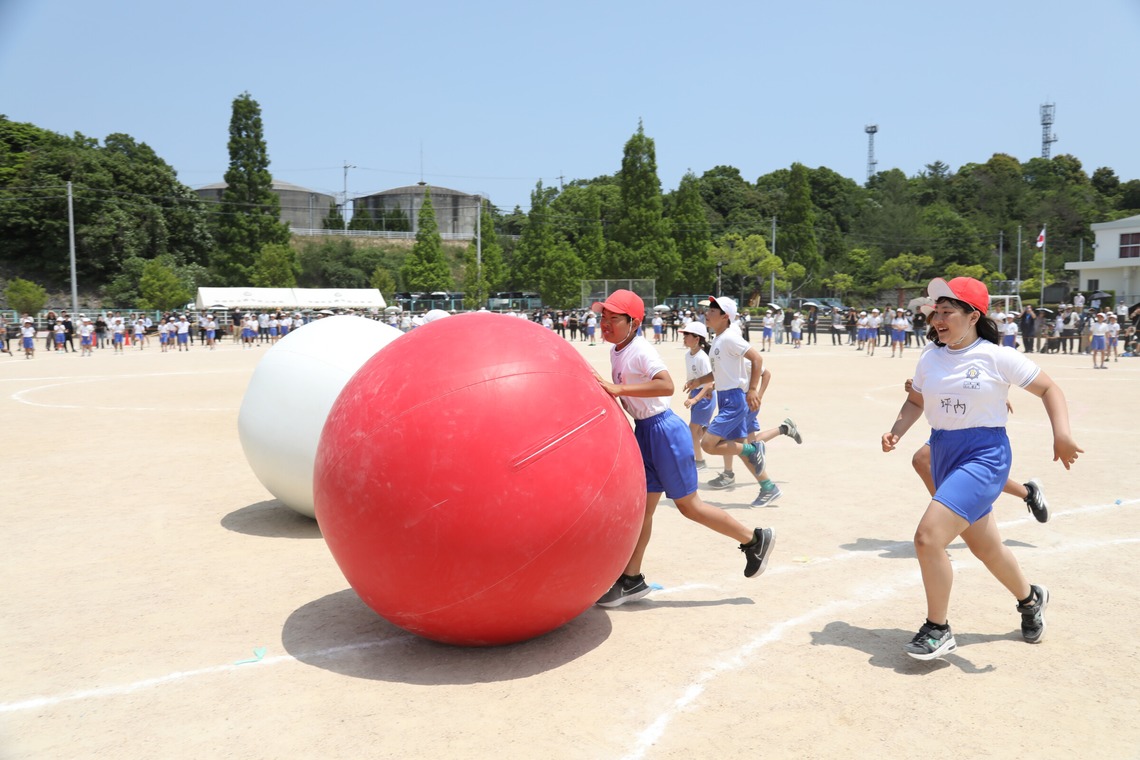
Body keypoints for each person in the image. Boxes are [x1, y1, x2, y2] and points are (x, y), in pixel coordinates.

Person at [882, 276, 1082, 660]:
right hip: (943, 451)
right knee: (986, 548)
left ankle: (937, 628)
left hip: (984, 455)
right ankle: (1030, 599)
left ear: (972, 315)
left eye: (947, 311)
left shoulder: (996, 356)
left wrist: (1062, 435)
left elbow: (1049, 389)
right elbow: (915, 401)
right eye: (936, 312)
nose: (938, 319)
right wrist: (896, 431)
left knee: (927, 538)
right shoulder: (930, 357)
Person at [592, 290, 776, 607]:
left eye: (613, 318)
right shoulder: (617, 351)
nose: (605, 323)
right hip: (645, 433)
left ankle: (754, 539)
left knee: (689, 507)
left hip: (664, 432)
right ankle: (632, 579)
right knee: (642, 512)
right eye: (603, 317)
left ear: (633, 323)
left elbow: (666, 384)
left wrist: (618, 388)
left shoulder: (640, 351)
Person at [686, 296, 802, 506]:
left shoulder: (730, 337)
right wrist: (698, 381)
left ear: (725, 316)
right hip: (726, 397)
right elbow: (718, 373)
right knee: (737, 449)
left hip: (734, 399)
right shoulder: (719, 340)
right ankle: (768, 487)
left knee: (708, 444)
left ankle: (754, 449)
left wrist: (753, 390)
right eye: (709, 309)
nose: (708, 313)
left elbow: (757, 359)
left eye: (713, 310)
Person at [680, 321, 715, 471]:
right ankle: (718, 434)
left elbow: (709, 382)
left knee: (692, 430)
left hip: (705, 397)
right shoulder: (688, 355)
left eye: (687, 335)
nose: (684, 337)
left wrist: (696, 398)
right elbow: (695, 377)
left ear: (697, 339)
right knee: (699, 431)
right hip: (696, 394)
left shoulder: (702, 357)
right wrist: (690, 384)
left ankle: (699, 461)